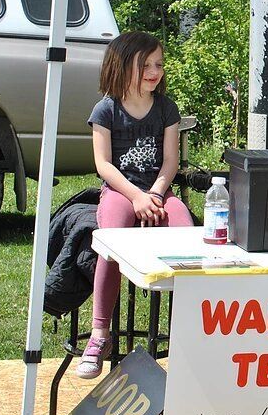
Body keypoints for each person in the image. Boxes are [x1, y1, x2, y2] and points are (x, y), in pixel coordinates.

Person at [76, 31, 194, 379]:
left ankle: (187, 332)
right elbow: (104, 164)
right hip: (121, 190)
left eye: (158, 64)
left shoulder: (166, 107)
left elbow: (170, 161)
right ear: (122, 66)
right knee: (112, 240)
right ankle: (100, 334)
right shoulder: (106, 109)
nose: (154, 71)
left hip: (158, 191)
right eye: (145, 65)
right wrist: (136, 196)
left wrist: (156, 194)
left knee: (186, 234)